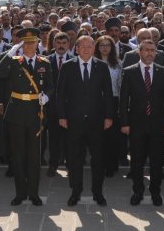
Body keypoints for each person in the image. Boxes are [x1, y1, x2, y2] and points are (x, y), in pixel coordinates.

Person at [57, 35, 115, 207]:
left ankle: (98, 192)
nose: (86, 49)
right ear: (76, 49)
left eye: (89, 46)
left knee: (98, 159)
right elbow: (60, 94)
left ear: (93, 48)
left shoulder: (102, 66)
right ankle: (76, 192)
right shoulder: (68, 66)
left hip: (97, 122)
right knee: (75, 159)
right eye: (82, 46)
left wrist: (109, 116)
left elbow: (108, 94)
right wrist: (61, 116)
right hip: (73, 122)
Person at [0, 28, 50, 207]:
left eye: (32, 43)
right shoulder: (14, 62)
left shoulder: (45, 63)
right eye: (25, 43)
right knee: (18, 155)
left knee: (34, 155)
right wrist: (11, 52)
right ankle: (20, 193)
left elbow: (51, 86)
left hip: (35, 112)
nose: (28, 46)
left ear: (37, 44)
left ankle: (33, 193)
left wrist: (47, 96)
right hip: (17, 113)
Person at [120, 40, 164, 206]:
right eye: (147, 50)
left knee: (157, 160)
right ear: (139, 52)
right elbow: (123, 100)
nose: (150, 53)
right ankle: (138, 191)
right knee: (137, 160)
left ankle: (155, 192)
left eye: (153, 50)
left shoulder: (163, 72)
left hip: (158, 124)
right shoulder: (129, 71)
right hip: (136, 124)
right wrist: (124, 123)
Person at [95, 35, 125, 178]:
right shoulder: (93, 62)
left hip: (113, 101)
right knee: (98, 136)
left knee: (112, 136)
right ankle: (99, 164)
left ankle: (111, 165)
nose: (105, 47)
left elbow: (120, 85)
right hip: (97, 101)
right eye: (102, 45)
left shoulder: (118, 63)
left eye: (108, 45)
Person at [42, 31, 71, 177]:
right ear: (53, 44)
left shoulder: (75, 60)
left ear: (69, 44)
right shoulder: (46, 60)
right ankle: (53, 164)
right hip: (52, 106)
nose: (61, 46)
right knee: (53, 137)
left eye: (64, 43)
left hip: (70, 106)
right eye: (58, 43)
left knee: (70, 138)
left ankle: (70, 164)